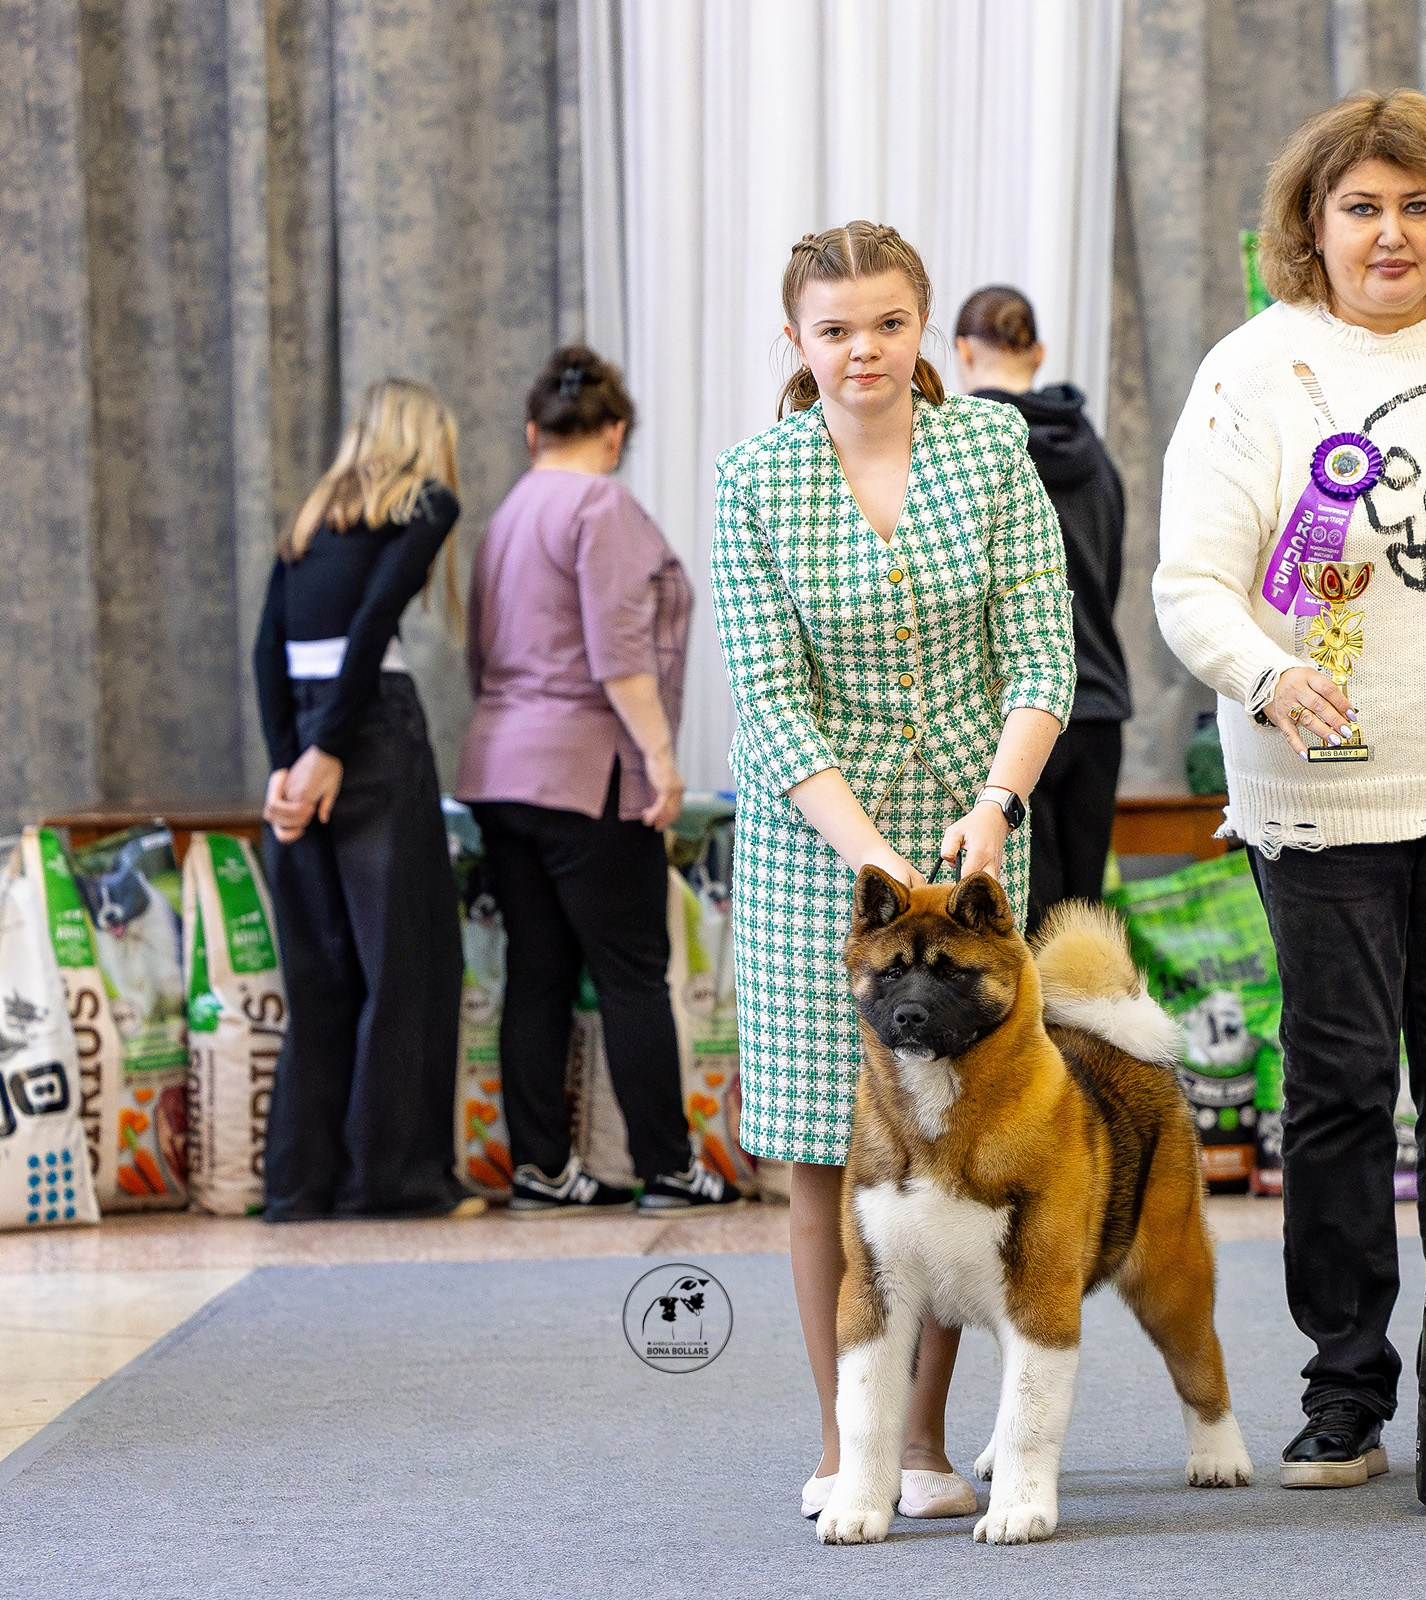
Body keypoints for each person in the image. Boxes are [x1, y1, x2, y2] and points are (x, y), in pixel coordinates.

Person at [1152, 90, 1426, 1489]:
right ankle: (1344, 1386)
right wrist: (1267, 675)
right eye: (1362, 208)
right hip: (1321, 790)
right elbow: (1189, 586)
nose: (1392, 234)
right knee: (1341, 1086)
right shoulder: (1253, 369)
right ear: (1311, 224)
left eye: (1418, 206)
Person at [711, 222, 1075, 1520]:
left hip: (973, 844)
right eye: (834, 329)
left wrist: (992, 807)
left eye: (886, 323)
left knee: (959, 1154)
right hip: (819, 862)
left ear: (924, 331)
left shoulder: (992, 446)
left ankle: (922, 1441)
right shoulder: (755, 478)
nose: (862, 349)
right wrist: (872, 861)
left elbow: (1043, 657)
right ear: (797, 344)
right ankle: (841, 1446)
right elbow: (769, 702)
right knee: (829, 1151)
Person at [455, 345, 734, 1217]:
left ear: (533, 431)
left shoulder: (505, 514)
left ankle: (541, 1167)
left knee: (537, 973)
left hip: (499, 769)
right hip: (586, 772)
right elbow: (618, 654)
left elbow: (477, 652)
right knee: (632, 973)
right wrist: (662, 760)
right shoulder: (603, 504)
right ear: (615, 434)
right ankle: (667, 1169)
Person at [253, 380, 476, 1222]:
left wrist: (287, 762)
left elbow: (266, 649)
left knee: (319, 973)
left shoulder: (311, 518)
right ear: (426, 440)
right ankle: (395, 1178)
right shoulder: (428, 500)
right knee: (407, 963)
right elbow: (375, 620)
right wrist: (329, 752)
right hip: (369, 735)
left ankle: (299, 1186)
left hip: (310, 734)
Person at [954, 285, 1130, 935]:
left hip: (1014, 719)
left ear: (962, 352)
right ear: (1040, 353)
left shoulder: (968, 454)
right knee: (1079, 936)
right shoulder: (1096, 454)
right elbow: (1107, 578)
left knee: (1012, 934)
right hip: (1098, 708)